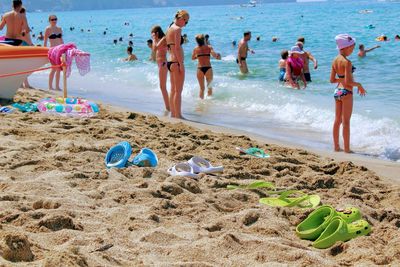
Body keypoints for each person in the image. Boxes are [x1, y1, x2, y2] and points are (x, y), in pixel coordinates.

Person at [330, 34, 366, 153]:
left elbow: (332, 80)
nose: (352, 50)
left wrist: (342, 79)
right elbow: (348, 82)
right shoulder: (347, 62)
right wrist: (359, 85)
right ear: (345, 47)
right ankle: (346, 149)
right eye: (352, 48)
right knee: (346, 122)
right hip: (347, 92)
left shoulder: (335, 60)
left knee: (337, 120)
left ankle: (336, 146)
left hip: (337, 91)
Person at [166, 10, 189, 119]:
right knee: (178, 91)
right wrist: (181, 64)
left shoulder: (169, 28)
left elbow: (168, 47)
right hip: (176, 62)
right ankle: (178, 115)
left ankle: (173, 113)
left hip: (169, 61)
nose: (186, 24)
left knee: (172, 89)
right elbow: (177, 48)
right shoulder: (177, 29)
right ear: (181, 19)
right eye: (186, 22)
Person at [192, 34, 221, 99]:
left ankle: (201, 104)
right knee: (209, 88)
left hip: (200, 69)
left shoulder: (195, 49)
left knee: (202, 89)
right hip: (208, 68)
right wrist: (218, 56)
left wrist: (199, 56)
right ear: (204, 39)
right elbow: (215, 56)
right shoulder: (209, 47)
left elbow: (193, 58)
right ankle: (209, 103)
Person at [151, 25, 170, 112]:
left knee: (162, 87)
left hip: (163, 64)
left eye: (153, 34)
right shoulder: (160, 40)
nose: (152, 36)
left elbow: (155, 48)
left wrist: (154, 39)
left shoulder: (163, 39)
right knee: (162, 87)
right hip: (160, 64)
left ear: (157, 33)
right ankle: (168, 106)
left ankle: (168, 107)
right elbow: (154, 49)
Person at [44, 15, 64, 91]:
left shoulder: (59, 29)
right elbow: (45, 41)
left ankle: (57, 86)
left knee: (59, 69)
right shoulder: (48, 29)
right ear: (49, 20)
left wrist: (64, 48)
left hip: (59, 50)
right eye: (52, 19)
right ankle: (50, 86)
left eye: (55, 19)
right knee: (53, 68)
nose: (54, 21)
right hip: (52, 51)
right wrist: (45, 50)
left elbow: (61, 40)